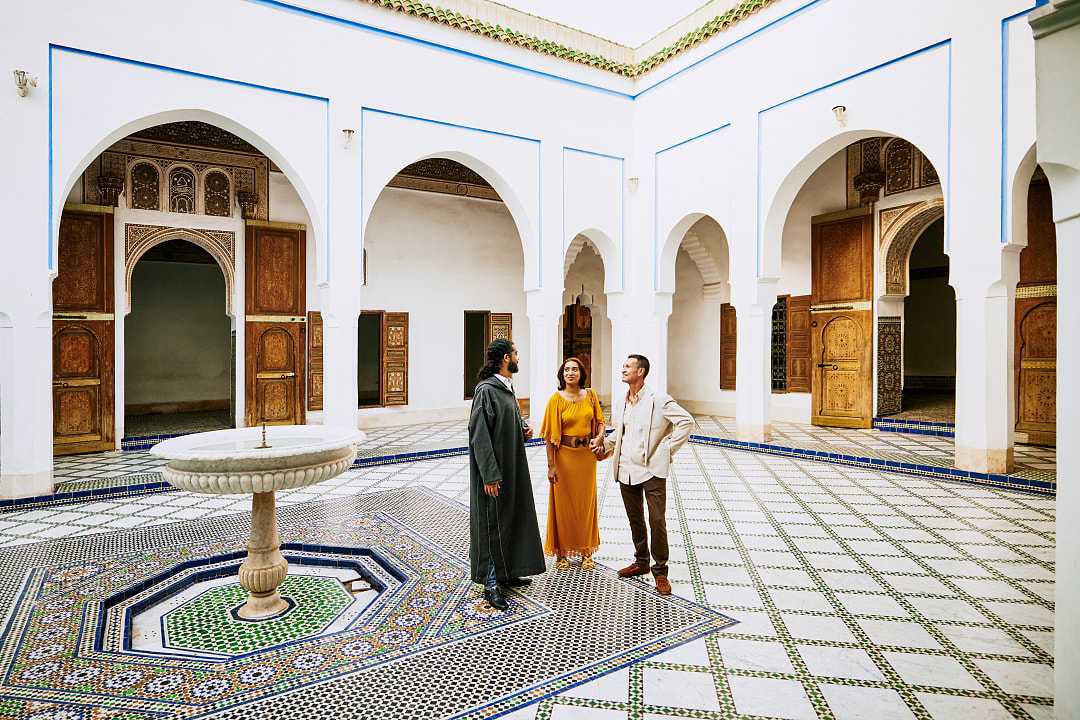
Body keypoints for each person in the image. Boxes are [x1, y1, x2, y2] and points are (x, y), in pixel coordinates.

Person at [595, 354, 692, 596]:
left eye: (628, 366)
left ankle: (661, 572)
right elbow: (622, 432)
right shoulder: (623, 401)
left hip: (652, 470)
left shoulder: (658, 399)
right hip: (626, 467)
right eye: (623, 365)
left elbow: (686, 422)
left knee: (657, 520)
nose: (623, 369)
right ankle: (641, 561)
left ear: (641, 371)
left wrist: (668, 449)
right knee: (635, 518)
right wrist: (605, 445)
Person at [468, 338, 546, 611]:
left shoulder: (506, 389)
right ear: (504, 358)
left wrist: (521, 429)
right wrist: (489, 474)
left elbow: (504, 422)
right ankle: (491, 582)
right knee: (491, 522)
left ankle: (508, 572)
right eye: (515, 354)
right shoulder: (486, 390)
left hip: (512, 466)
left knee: (510, 516)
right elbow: (480, 435)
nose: (517, 358)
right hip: (494, 471)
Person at [539, 357, 605, 570]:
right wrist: (551, 466)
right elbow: (549, 437)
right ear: (562, 374)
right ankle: (562, 552)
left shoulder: (591, 396)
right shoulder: (555, 400)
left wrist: (600, 437)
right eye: (566, 369)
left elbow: (601, 422)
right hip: (564, 458)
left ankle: (587, 551)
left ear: (581, 373)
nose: (570, 373)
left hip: (586, 458)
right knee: (563, 506)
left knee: (586, 505)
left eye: (574, 369)